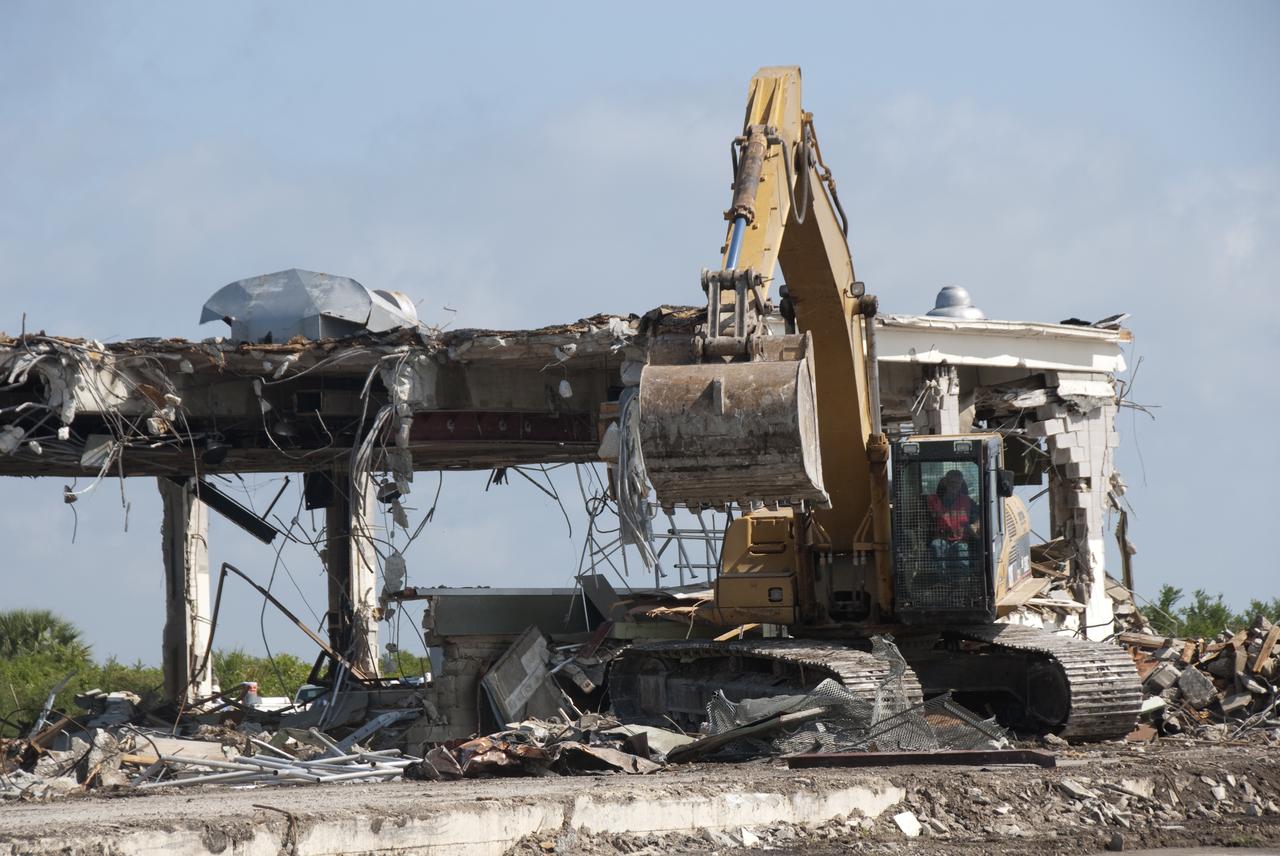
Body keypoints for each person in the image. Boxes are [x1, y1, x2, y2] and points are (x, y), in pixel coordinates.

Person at [927, 469, 980, 569]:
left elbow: (978, 517)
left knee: (961, 551)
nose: (954, 486)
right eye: (951, 483)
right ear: (945, 483)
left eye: (957, 483)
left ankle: (962, 579)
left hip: (961, 540)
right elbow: (925, 517)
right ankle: (940, 580)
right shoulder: (933, 500)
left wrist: (975, 525)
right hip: (941, 538)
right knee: (936, 546)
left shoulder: (967, 501)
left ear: (961, 485)